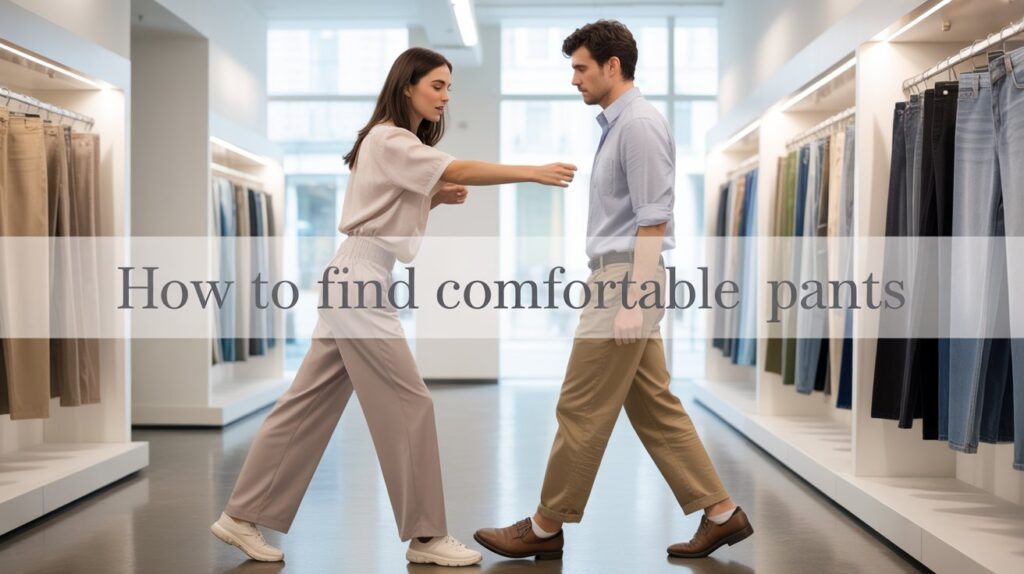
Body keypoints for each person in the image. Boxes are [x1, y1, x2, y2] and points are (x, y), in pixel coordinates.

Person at [210, 47, 577, 567]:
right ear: (407, 86)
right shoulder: (390, 138)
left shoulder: (387, 142)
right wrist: (532, 172)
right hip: (359, 281)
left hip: (355, 276)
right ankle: (426, 536)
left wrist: (432, 199)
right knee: (410, 403)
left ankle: (241, 515)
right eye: (437, 86)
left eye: (449, 88)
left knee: (307, 403)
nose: (445, 97)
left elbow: (381, 208)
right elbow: (459, 166)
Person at [473, 20, 753, 560]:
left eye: (581, 68)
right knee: (654, 407)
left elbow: (653, 219)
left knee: (579, 406)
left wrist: (634, 299)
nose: (574, 79)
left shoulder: (639, 125)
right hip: (617, 277)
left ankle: (545, 526)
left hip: (626, 280)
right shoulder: (618, 126)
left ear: (612, 66)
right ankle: (721, 513)